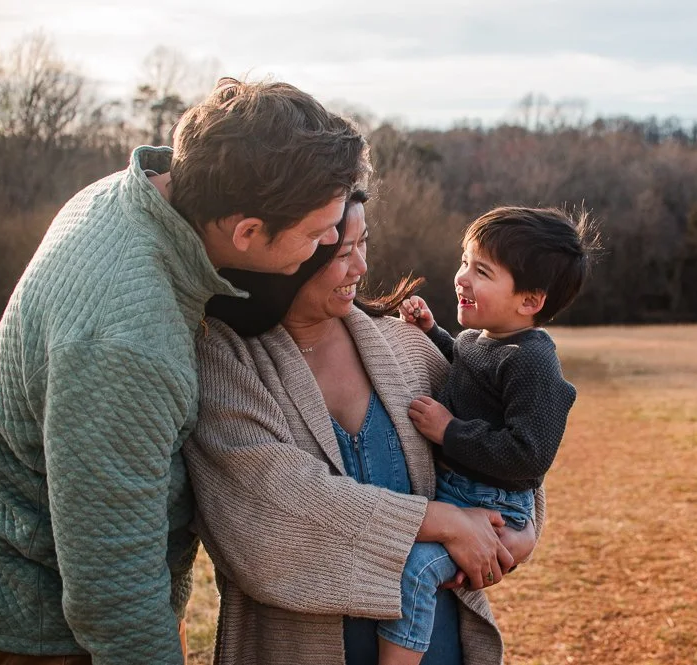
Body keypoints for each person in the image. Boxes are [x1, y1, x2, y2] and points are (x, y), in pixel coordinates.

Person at [0, 78, 369, 665]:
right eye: (316, 232)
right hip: (57, 637)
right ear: (248, 232)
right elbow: (113, 592)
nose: (333, 241)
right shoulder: (126, 343)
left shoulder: (128, 194)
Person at [184, 192, 542, 665]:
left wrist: (523, 531)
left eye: (363, 244)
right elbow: (271, 510)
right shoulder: (226, 358)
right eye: (339, 252)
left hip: (441, 646)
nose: (359, 268)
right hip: (292, 649)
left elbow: (511, 441)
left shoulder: (406, 347)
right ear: (285, 251)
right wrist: (444, 523)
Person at [389, 206, 596, 664]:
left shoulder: (533, 362)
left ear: (529, 301)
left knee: (417, 572)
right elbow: (469, 370)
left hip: (493, 506)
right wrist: (431, 332)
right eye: (465, 261)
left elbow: (529, 455)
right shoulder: (483, 340)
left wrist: (449, 432)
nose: (462, 277)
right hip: (462, 494)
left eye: (481, 271)